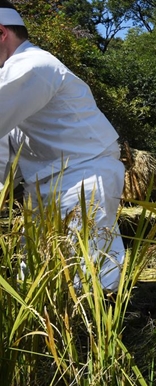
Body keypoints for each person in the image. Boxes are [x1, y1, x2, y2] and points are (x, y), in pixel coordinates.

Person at [0, 1, 125, 290]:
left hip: (83, 176)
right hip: (44, 183)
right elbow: (7, 147)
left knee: (90, 272)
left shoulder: (34, 65)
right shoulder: (14, 78)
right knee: (35, 273)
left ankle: (105, 329)